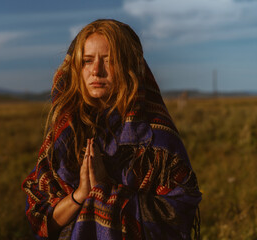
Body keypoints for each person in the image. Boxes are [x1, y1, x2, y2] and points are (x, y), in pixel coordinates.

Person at [22, 19, 202, 240]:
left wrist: (105, 190)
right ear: (77, 68)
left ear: (129, 67)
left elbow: (177, 216)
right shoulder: (64, 135)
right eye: (87, 61)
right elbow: (40, 221)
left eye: (109, 60)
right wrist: (80, 195)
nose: (96, 70)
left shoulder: (157, 142)